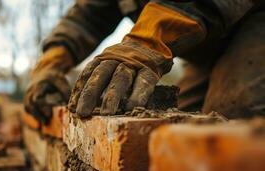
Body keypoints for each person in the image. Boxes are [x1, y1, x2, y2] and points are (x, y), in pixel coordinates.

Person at [24, 0, 265, 123]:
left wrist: (148, 41)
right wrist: (50, 64)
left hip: (254, 24)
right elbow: (87, 16)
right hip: (208, 47)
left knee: (236, 114)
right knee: (186, 123)